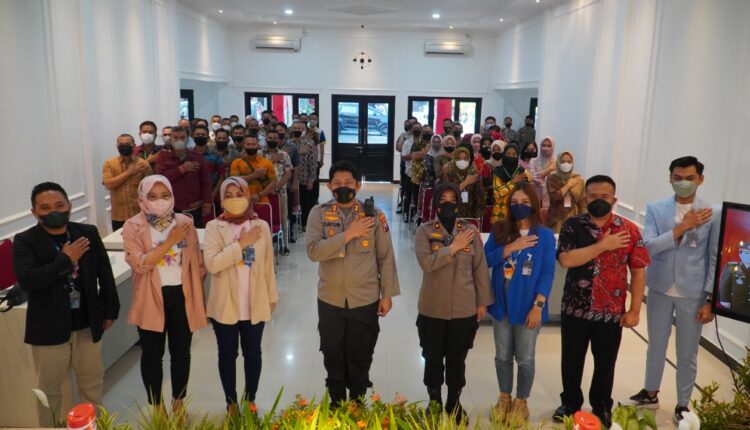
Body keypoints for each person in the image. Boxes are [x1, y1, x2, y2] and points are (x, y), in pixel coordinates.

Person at [13, 182, 120, 426]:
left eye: (59, 205)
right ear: (34, 212)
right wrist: (65, 259)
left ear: (69, 206)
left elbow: (104, 273)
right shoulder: (25, 240)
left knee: (92, 384)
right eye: (45, 207)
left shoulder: (87, 232)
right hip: (48, 328)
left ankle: (93, 425)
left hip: (87, 323)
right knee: (49, 392)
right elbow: (28, 280)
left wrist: (110, 309)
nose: (54, 210)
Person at [625, 156, 720, 424]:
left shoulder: (712, 213)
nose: (683, 183)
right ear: (670, 178)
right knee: (656, 345)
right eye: (678, 178)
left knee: (687, 352)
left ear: (701, 179)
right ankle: (650, 392)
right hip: (660, 287)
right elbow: (649, 247)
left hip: (693, 292)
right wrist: (682, 227)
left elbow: (714, 257)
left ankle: (683, 404)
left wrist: (711, 299)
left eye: (690, 178)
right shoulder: (656, 209)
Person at [553, 175, 650, 427]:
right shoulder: (572, 225)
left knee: (606, 363)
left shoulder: (629, 230)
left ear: (614, 200)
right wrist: (603, 245)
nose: (599, 200)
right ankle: (570, 403)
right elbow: (566, 260)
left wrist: (634, 310)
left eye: (604, 196)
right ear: (585, 198)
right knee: (571, 359)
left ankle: (602, 405)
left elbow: (638, 271)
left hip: (611, 311)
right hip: (575, 308)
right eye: (593, 196)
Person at [305, 161, 400, 406]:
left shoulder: (374, 215)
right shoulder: (318, 214)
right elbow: (313, 251)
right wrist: (349, 234)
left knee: (361, 353)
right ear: (329, 186)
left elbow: (385, 257)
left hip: (365, 299)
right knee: (332, 353)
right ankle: (336, 403)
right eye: (337, 183)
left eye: (348, 182)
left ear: (358, 185)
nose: (343, 187)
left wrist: (387, 294)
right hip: (330, 298)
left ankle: (357, 404)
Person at [122, 175, 207, 417]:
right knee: (152, 355)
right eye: (153, 196)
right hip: (151, 296)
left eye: (165, 195)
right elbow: (139, 263)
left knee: (181, 353)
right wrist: (169, 242)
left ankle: (178, 404)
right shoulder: (133, 226)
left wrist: (196, 291)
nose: (160, 201)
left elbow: (197, 263)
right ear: (142, 198)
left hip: (182, 295)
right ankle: (158, 407)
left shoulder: (184, 222)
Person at [414, 182, 493, 422]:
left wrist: (482, 302)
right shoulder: (424, 232)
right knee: (432, 358)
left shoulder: (470, 232)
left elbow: (480, 269)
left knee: (457, 360)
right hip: (432, 308)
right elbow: (427, 264)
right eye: (443, 200)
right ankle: (434, 402)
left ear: (459, 203)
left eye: (452, 200)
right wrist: (453, 248)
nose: (447, 204)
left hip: (463, 309)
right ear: (435, 203)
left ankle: (454, 402)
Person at [204, 177, 278, 414]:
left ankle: (250, 399)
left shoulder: (261, 226)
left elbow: (268, 265)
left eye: (239, 194)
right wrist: (241, 244)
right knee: (227, 355)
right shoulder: (214, 227)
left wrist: (272, 297)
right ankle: (231, 402)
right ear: (221, 200)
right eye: (228, 195)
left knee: (253, 353)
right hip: (224, 304)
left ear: (248, 196)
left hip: (254, 301)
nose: (234, 199)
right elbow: (213, 264)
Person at [485, 183, 555, 422]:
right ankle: (504, 397)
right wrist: (509, 248)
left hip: (529, 305)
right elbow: (485, 260)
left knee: (525, 357)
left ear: (534, 205)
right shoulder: (499, 230)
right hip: (501, 303)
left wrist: (538, 306)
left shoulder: (544, 235)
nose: (519, 206)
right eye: (514, 202)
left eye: (525, 202)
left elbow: (547, 272)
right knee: (502, 355)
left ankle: (521, 401)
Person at [155, 126, 212, 228]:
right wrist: (181, 169)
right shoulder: (163, 156)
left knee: (195, 235)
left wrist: (207, 202)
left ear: (188, 139)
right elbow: (161, 178)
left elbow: (205, 181)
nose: (179, 140)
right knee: (169, 236)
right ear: (171, 139)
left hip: (193, 208)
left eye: (182, 137)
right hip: (169, 208)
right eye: (176, 138)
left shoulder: (197, 157)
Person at [103, 133, 152, 231]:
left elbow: (150, 190)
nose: (124, 146)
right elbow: (108, 184)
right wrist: (129, 173)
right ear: (117, 147)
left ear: (134, 145)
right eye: (121, 145)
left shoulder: (143, 165)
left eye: (127, 144)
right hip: (118, 216)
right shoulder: (110, 164)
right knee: (119, 240)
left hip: (140, 214)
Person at [263, 130, 293, 255]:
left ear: (278, 140)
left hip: (281, 192)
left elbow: (288, 173)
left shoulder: (284, 155)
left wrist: (276, 188)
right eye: (270, 137)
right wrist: (269, 188)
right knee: (265, 218)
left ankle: (284, 245)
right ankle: (265, 245)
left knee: (283, 218)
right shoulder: (260, 154)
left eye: (275, 138)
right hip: (264, 192)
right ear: (266, 138)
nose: (272, 140)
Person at [490, 143, 533, 224]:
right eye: (508, 154)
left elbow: (527, 192)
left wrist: (506, 187)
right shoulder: (498, 171)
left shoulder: (523, 172)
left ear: (518, 156)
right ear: (504, 155)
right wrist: (513, 182)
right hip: (501, 214)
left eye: (514, 154)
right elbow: (497, 193)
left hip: (519, 212)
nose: (511, 156)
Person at [545, 151, 586, 233]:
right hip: (556, 219)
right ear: (558, 162)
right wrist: (568, 185)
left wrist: (583, 222)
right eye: (563, 161)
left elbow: (582, 203)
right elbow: (554, 198)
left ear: (572, 163)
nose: (566, 164)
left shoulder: (578, 180)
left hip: (573, 217)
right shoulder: (552, 178)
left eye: (569, 162)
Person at [229, 135, 277, 204]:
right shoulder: (236, 162)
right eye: (248, 144)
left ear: (258, 146)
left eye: (253, 144)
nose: (251, 146)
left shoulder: (267, 163)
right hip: (240, 201)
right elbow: (234, 180)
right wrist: (254, 175)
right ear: (244, 145)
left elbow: (273, 182)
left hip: (262, 201)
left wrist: (259, 196)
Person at [441, 145, 485, 219]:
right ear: (455, 159)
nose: (462, 161)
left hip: (470, 215)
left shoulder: (473, 173)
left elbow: (479, 197)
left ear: (469, 159)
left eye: (465, 158)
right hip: (452, 214)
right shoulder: (448, 173)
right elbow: (448, 193)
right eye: (459, 158)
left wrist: (477, 217)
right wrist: (466, 182)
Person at [192, 124, 225, 220]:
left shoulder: (215, 155)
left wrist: (211, 197)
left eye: (203, 135)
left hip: (213, 197)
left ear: (207, 137)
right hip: (193, 199)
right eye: (197, 134)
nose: (200, 136)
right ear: (193, 136)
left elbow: (221, 177)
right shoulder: (188, 155)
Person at [290, 120, 318, 227]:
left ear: (303, 129)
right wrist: (298, 152)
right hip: (290, 179)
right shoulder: (288, 144)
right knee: (292, 204)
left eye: (299, 128)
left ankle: (305, 224)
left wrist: (311, 180)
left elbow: (313, 163)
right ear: (292, 129)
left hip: (304, 178)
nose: (297, 130)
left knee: (306, 203)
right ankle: (293, 223)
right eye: (295, 128)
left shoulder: (310, 143)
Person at [401, 122, 425, 221]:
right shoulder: (407, 142)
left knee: (418, 196)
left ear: (421, 130)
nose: (417, 130)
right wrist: (414, 155)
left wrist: (419, 154)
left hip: (422, 173)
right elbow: (403, 157)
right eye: (415, 128)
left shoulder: (424, 142)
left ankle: (418, 214)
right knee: (409, 194)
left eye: (419, 128)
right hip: (410, 172)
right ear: (411, 130)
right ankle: (407, 214)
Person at [719, 242, 750, 315]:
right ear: (740, 255)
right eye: (747, 253)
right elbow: (724, 285)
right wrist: (724, 301)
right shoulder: (731, 267)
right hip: (737, 304)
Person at [529, 137, 556, 208]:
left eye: (549, 146)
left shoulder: (556, 162)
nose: (545, 148)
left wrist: (542, 177)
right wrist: (550, 169)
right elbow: (534, 178)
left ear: (553, 147)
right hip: (536, 198)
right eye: (543, 145)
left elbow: (553, 183)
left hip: (551, 200)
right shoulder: (533, 161)